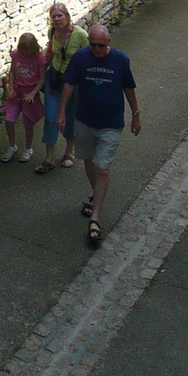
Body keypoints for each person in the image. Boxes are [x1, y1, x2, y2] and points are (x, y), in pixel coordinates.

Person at [58, 23, 140, 247]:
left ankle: (95, 218)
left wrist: (136, 114)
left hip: (111, 125)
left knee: (102, 167)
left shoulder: (120, 60)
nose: (96, 49)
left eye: (100, 45)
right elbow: (69, 84)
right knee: (88, 160)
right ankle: (96, 196)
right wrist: (62, 111)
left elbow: (129, 88)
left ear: (109, 42)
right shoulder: (81, 58)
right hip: (85, 121)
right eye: (92, 45)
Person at [35, 1, 88, 175]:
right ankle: (50, 157)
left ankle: (69, 151)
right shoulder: (53, 33)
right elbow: (49, 53)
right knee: (51, 117)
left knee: (70, 117)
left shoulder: (80, 35)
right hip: (55, 80)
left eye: (60, 15)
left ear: (67, 16)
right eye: (54, 17)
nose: (57, 19)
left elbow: (89, 58)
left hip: (74, 83)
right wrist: (38, 73)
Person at [0, 33, 46, 164]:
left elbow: (42, 78)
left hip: (30, 93)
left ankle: (28, 148)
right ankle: (12, 146)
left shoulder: (39, 59)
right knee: (9, 119)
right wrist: (11, 88)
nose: (26, 54)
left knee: (28, 122)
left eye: (28, 51)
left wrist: (33, 93)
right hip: (17, 92)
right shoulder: (16, 55)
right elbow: (12, 72)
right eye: (24, 50)